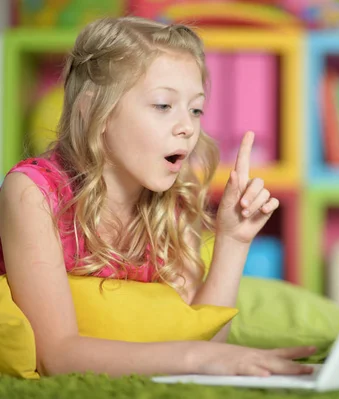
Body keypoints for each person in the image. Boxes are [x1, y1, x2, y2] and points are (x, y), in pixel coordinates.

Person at [0, 16, 315, 378]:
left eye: (196, 109)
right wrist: (195, 358)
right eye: (163, 105)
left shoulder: (171, 203)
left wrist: (233, 240)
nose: (188, 127)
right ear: (93, 112)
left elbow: (206, 344)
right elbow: (55, 356)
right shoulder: (31, 194)